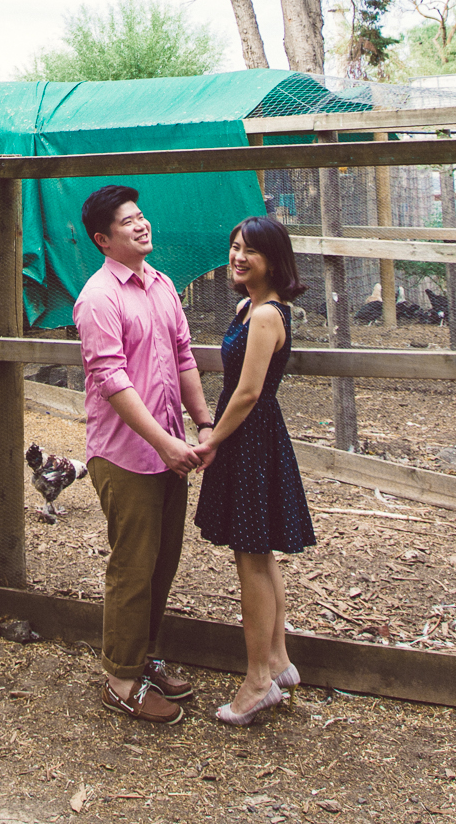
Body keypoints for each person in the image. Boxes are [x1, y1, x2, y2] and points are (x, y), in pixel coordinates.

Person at [73, 183, 215, 724]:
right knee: (132, 567)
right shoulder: (98, 298)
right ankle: (119, 680)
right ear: (103, 240)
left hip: (170, 451)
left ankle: (143, 657)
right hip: (125, 455)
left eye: (141, 216)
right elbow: (110, 380)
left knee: (162, 561)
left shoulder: (161, 286)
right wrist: (165, 441)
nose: (142, 224)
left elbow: (183, 359)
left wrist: (201, 423)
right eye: (127, 222)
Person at [193, 214, 316, 725]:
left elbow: (246, 392)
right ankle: (280, 660)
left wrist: (211, 443)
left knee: (251, 557)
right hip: (249, 435)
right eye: (235, 246)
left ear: (274, 260)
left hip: (251, 436)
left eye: (251, 251)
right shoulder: (247, 305)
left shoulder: (268, 316)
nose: (238, 257)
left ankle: (257, 682)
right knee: (258, 553)